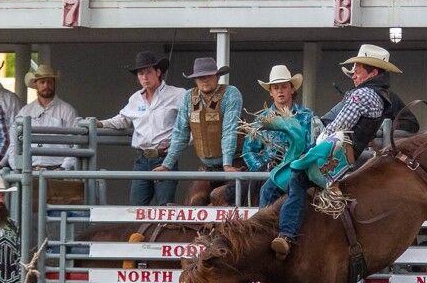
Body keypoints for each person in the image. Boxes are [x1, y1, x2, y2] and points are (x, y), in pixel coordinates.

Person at [271, 44, 410, 259]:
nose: (353, 74)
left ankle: (285, 234)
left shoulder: (361, 95)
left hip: (333, 153)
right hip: (346, 158)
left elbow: (337, 127)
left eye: (358, 69)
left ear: (373, 72)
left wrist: (313, 148)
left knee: (294, 179)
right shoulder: (381, 97)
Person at [100, 51, 187, 206]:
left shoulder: (178, 94)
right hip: (142, 158)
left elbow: (191, 123)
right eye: (141, 74)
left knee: (164, 208)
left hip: (165, 156)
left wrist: (177, 145)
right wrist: (100, 123)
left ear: (158, 72)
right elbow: (122, 120)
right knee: (136, 208)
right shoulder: (135, 98)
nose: (144, 77)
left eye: (148, 72)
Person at [155, 57, 243, 205]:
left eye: (208, 76)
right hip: (207, 168)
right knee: (194, 202)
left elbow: (230, 129)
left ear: (217, 76)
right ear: (195, 80)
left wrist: (227, 165)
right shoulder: (189, 97)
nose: (204, 80)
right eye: (200, 77)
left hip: (235, 163)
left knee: (220, 198)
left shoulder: (231, 93)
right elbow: (180, 133)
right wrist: (166, 165)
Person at [245, 64, 319, 206]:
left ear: (292, 89)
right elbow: (249, 151)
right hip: (269, 174)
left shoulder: (307, 116)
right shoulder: (261, 119)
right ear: (271, 92)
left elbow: (314, 146)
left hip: (299, 172)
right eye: (275, 87)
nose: (280, 91)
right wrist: (263, 168)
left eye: (284, 86)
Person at [14, 64, 80, 170]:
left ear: (54, 83)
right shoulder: (25, 112)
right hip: (30, 170)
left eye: (49, 82)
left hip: (58, 170)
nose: (46, 85)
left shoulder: (68, 111)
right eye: (42, 82)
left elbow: (75, 144)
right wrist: (19, 168)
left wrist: (63, 168)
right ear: (36, 85)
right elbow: (14, 142)